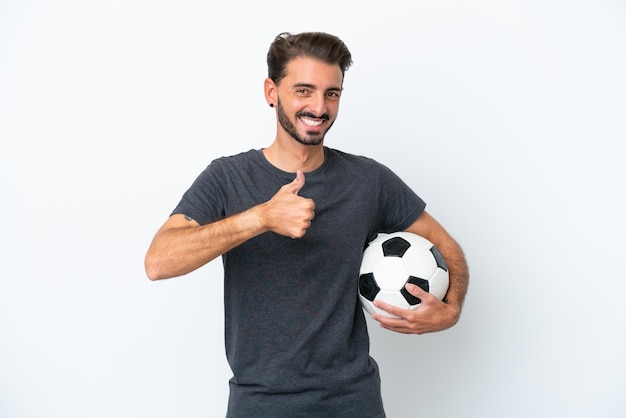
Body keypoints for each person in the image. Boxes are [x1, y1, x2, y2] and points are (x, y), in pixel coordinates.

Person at [145, 31, 469, 418]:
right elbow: (158, 262)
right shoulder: (227, 178)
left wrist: (451, 309)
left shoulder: (369, 180)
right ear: (271, 91)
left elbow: (447, 247)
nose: (319, 106)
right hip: (259, 405)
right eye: (304, 90)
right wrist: (260, 218)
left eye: (332, 93)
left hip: (353, 403)